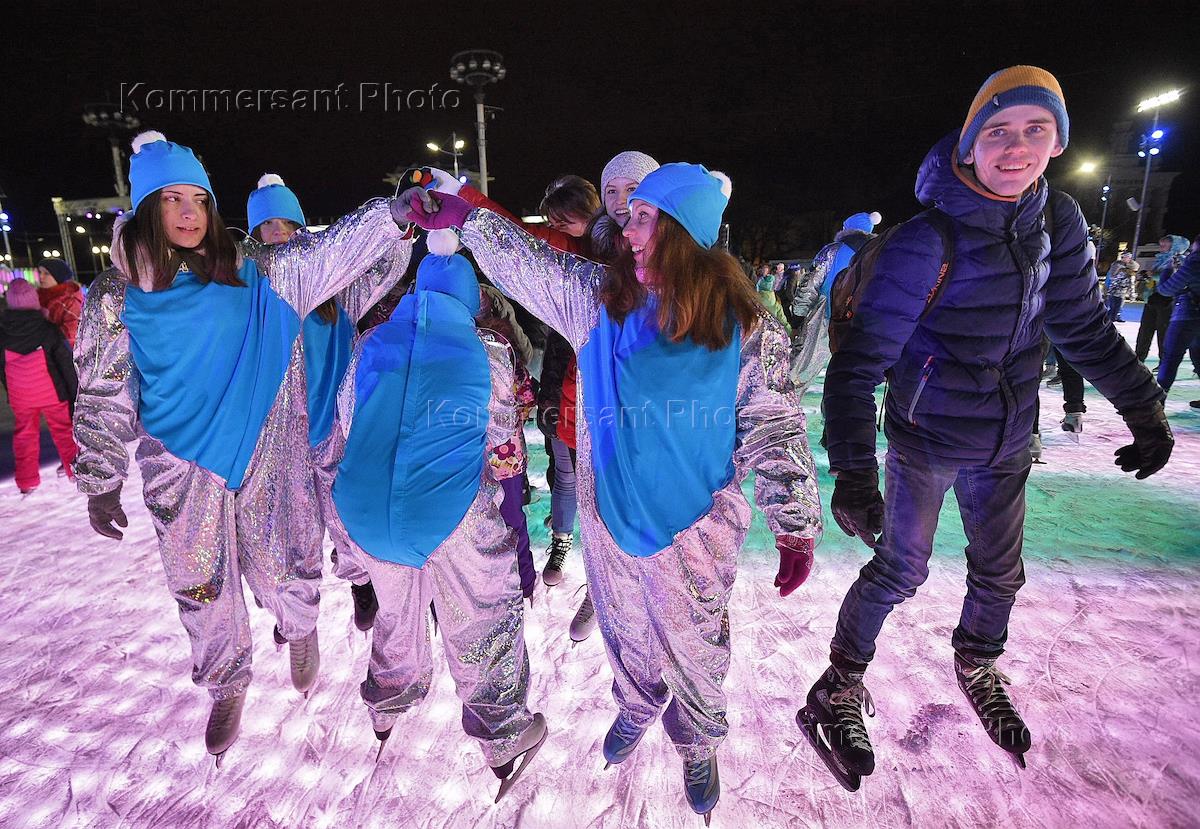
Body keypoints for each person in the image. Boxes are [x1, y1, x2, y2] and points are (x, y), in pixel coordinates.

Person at [402, 161, 822, 821]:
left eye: (647, 216)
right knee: (624, 626)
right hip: (611, 518)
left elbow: (771, 420)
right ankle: (637, 704)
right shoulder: (600, 298)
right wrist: (467, 215)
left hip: (699, 524)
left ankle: (698, 737)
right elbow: (529, 263)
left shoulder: (745, 321)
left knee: (695, 644)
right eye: (633, 214)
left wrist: (794, 517)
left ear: (684, 228)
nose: (628, 228)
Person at [811, 67, 1172, 787]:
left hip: (1007, 439)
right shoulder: (926, 240)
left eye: (1037, 130)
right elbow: (858, 364)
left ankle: (978, 661)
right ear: (970, 144)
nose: (1016, 148)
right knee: (901, 569)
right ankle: (838, 686)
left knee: (1002, 573)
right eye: (998, 131)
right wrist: (852, 470)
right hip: (926, 440)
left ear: (1057, 143)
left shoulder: (1057, 220)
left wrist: (1143, 407)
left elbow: (1082, 327)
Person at [72, 132, 413, 763]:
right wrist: (100, 476)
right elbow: (101, 386)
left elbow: (334, 251)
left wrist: (393, 216)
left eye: (198, 199)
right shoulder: (114, 297)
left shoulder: (254, 270)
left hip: (265, 442)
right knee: (198, 579)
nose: (189, 212)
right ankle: (225, 682)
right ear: (145, 208)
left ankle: (300, 625)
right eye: (171, 199)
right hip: (177, 459)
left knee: (284, 550)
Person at [326, 231, 547, 801]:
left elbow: (347, 418)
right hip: (447, 507)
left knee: (397, 609)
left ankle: (387, 700)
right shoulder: (488, 351)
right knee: (485, 612)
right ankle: (504, 733)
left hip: (363, 506)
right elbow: (503, 449)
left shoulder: (370, 342)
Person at [432, 151, 662, 643]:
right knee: (589, 494)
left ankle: (627, 595)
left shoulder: (674, 258)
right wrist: (465, 202)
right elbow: (519, 241)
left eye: (633, 191)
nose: (622, 202)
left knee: (636, 503)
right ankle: (599, 586)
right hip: (588, 396)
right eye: (613, 191)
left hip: (650, 407)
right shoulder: (586, 251)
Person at [245, 173, 411, 635]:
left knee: (345, 516)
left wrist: (400, 229)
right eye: (268, 224)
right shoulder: (250, 292)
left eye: (287, 222)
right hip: (277, 437)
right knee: (289, 528)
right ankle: (297, 610)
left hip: (331, 427)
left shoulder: (335, 289)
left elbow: (381, 267)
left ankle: (361, 582)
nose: (279, 232)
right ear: (255, 233)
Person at [1, 279, 78, 494]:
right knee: (63, 431)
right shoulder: (48, 329)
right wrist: (73, 392)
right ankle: (75, 471)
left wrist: (11, 390)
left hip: (21, 396)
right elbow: (64, 362)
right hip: (52, 392)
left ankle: (26, 481)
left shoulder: (2, 333)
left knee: (25, 435)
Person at [1154, 238, 1200, 394]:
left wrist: (1168, 270)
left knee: (1171, 357)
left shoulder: (1194, 262)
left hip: (1187, 316)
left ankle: (1159, 399)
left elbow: (1166, 289)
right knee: (1198, 356)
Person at [1137, 235, 1191, 363]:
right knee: (1145, 329)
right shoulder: (1161, 259)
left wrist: (1154, 275)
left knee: (1164, 331)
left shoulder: (1179, 259)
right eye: (1160, 244)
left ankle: (1165, 361)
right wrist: (1146, 276)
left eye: (1164, 245)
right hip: (1153, 297)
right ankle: (1138, 358)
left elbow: (1176, 278)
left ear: (1175, 246)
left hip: (1168, 300)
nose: (1161, 247)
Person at [35, 258, 84, 348]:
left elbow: (71, 334)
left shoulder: (70, 301)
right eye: (40, 272)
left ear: (58, 276)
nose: (41, 276)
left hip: (58, 351)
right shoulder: (35, 297)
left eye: (46, 273)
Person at [1103, 251, 1138, 322]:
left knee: (1117, 307)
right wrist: (1106, 289)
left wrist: (1131, 294)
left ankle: (1114, 318)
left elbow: (1131, 284)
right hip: (1113, 290)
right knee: (1112, 307)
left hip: (1120, 292)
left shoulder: (1129, 269)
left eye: (1129, 257)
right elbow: (1111, 278)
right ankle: (1108, 319)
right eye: (1127, 257)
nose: (1128, 259)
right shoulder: (1117, 266)